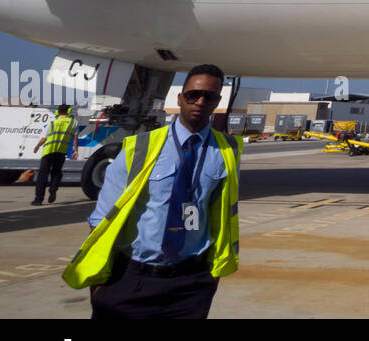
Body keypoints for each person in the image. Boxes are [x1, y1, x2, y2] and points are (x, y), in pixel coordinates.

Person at [63, 65, 242, 319]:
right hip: (133, 278)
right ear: (180, 98)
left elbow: (216, 213)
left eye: (209, 97)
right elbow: (102, 221)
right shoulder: (140, 148)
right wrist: (100, 286)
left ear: (218, 102)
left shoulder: (227, 151)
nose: (200, 101)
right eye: (193, 95)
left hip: (191, 284)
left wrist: (209, 278)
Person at [31, 104, 76, 205]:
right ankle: (53, 188)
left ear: (57, 112)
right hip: (61, 152)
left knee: (42, 175)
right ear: (69, 111)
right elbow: (75, 138)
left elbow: (43, 139)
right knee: (56, 172)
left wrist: (37, 146)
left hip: (48, 152)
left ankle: (38, 200)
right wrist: (75, 150)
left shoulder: (51, 123)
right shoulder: (73, 123)